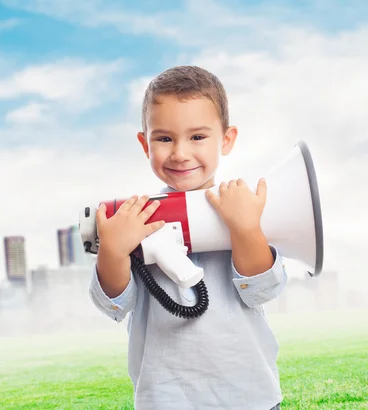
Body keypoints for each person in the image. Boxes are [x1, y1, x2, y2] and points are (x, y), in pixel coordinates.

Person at [89, 65, 287, 410]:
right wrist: (114, 250)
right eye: (164, 138)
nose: (180, 153)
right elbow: (115, 303)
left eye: (197, 137)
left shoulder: (242, 209)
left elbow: (262, 289)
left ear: (226, 140)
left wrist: (245, 229)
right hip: (166, 399)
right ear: (144, 143)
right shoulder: (137, 219)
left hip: (250, 397)